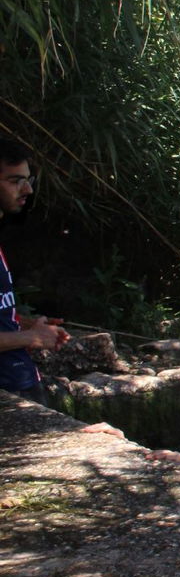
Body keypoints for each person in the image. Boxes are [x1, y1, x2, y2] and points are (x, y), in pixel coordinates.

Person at [0, 137, 70, 404]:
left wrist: (23, 323)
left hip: (20, 381)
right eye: (15, 180)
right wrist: (32, 337)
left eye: (28, 180)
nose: (28, 189)